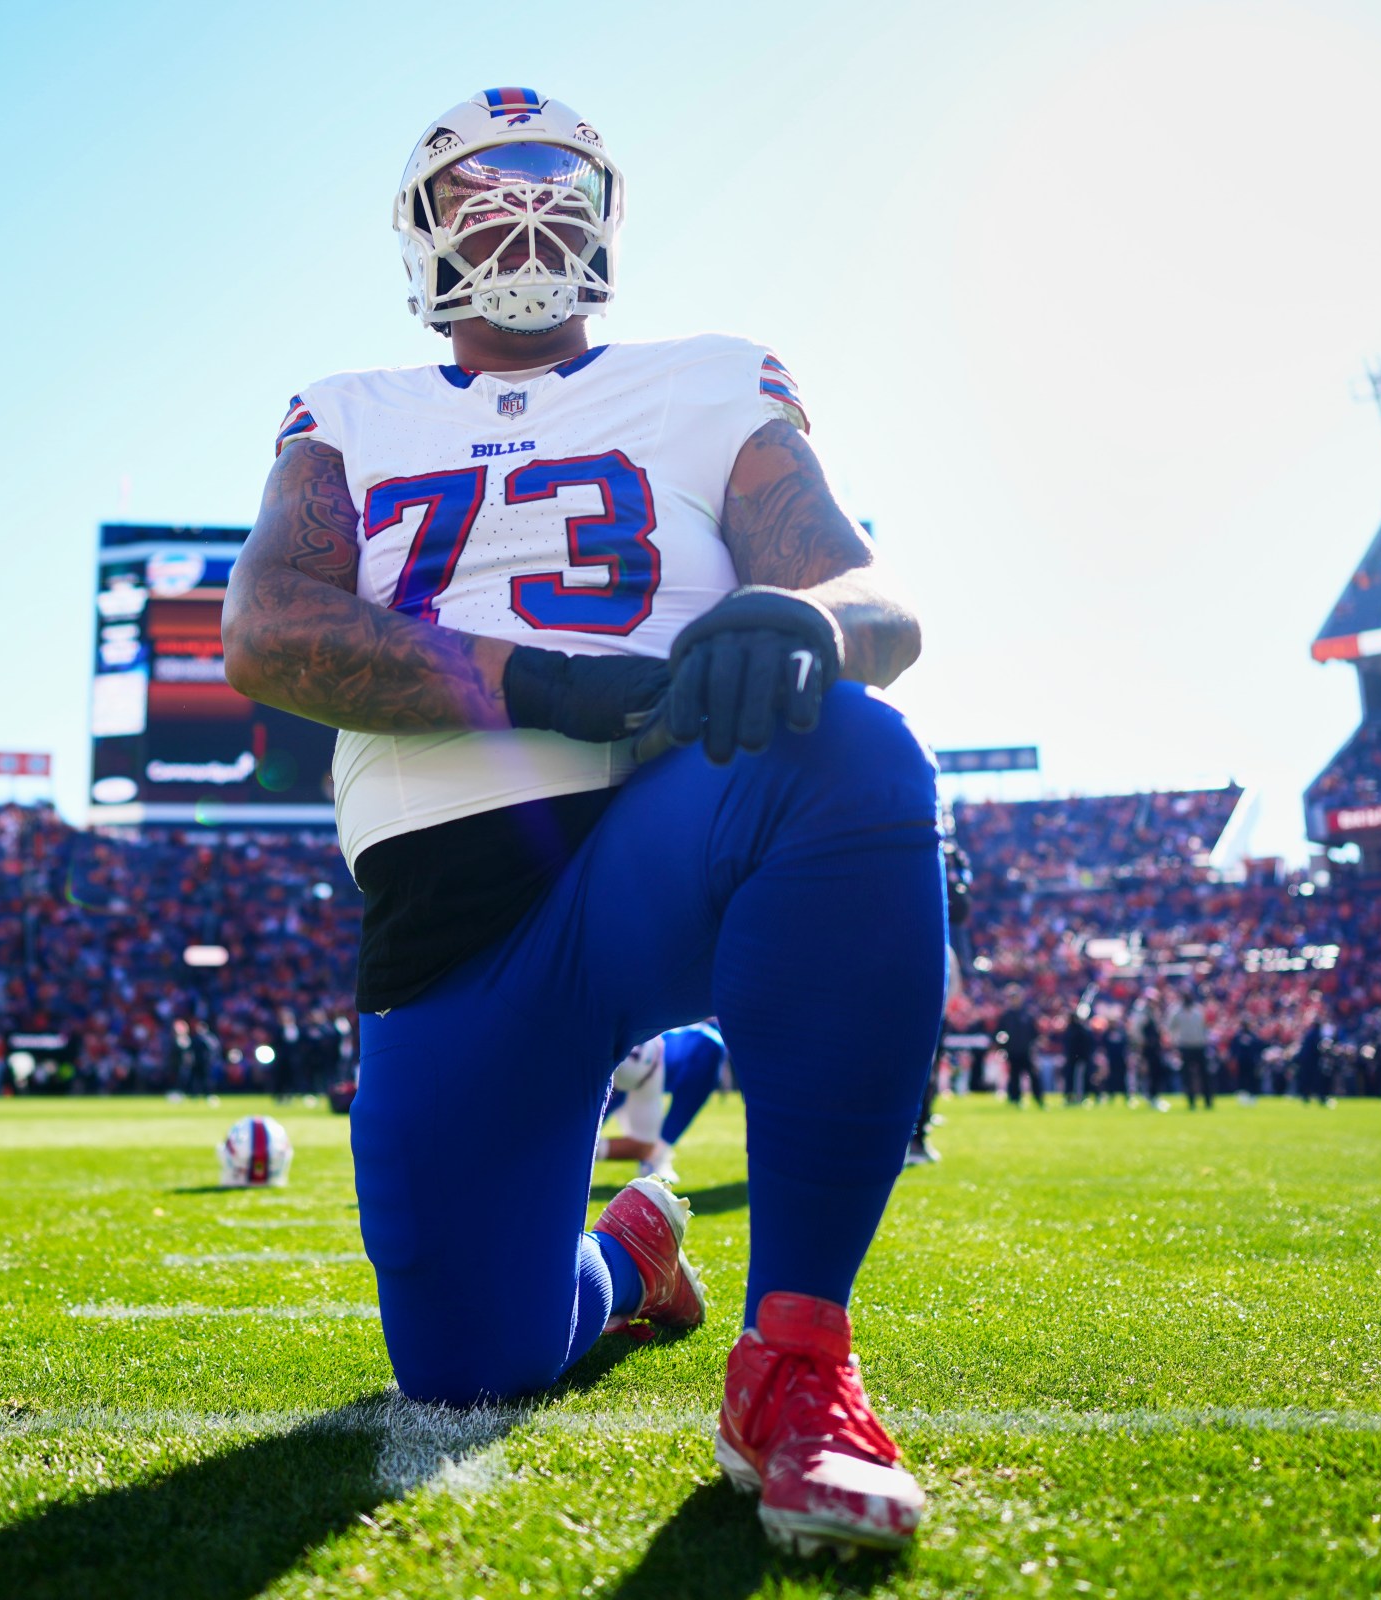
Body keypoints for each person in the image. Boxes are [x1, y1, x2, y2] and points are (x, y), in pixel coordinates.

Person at [221, 89, 945, 1553]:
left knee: (857, 755)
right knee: (470, 1368)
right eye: (484, 184)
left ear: (609, 211)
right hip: (452, 934)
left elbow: (874, 598)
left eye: (555, 175)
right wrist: (540, 679)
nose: (524, 205)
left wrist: (794, 624)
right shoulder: (346, 412)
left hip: (664, 842)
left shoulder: (709, 377)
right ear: (425, 229)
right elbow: (269, 629)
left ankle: (797, 1360)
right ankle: (632, 1251)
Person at [598, 1021, 729, 1183]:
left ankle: (660, 1154)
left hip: (644, 1064)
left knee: (708, 1046)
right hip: (597, 1063)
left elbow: (643, 1146)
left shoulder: (648, 1060)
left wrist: (587, 1149)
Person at [996, 991, 1042, 1108]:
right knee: (1014, 1076)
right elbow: (999, 1034)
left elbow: (1034, 1033)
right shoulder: (1006, 1016)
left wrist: (1033, 1047)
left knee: (1033, 1076)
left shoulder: (1027, 1015)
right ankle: (1014, 1099)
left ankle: (1038, 1098)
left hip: (1026, 1051)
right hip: (1012, 1051)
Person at [1169, 989, 1213, 1110]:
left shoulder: (1198, 1009)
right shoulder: (1176, 1011)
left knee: (1204, 1075)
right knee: (1187, 1077)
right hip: (1185, 1047)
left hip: (1199, 1046)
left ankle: (1208, 1101)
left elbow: (1206, 1026)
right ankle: (1191, 1102)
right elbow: (1170, 1028)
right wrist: (1175, 1044)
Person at [1060, 1007, 1097, 1106]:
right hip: (1074, 1058)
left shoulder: (1078, 1030)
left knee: (1078, 1079)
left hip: (1079, 1059)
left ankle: (1078, 1097)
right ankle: (1073, 1097)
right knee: (1074, 1079)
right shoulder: (1078, 1029)